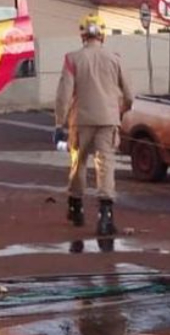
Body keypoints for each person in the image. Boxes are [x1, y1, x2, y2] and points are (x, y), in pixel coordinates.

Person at [55, 14, 134, 237]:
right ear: (102, 34)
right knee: (106, 165)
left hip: (80, 120)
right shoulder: (115, 59)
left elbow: (64, 95)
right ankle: (105, 217)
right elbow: (129, 95)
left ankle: (76, 208)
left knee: (78, 162)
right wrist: (120, 111)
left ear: (82, 35)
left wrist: (60, 122)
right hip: (108, 120)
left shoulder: (72, 59)